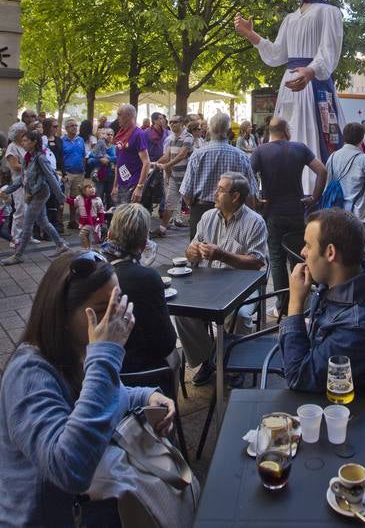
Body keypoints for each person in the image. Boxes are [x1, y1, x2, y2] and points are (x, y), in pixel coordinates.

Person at [0, 250, 174, 527]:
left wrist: (146, 396)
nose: (115, 319)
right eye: (103, 310)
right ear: (64, 314)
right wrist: (105, 354)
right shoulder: (29, 375)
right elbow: (70, 468)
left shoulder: (77, 351)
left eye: (118, 304)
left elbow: (105, 396)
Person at [234, 0, 345, 186]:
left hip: (313, 83)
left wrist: (312, 70)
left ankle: (313, 189)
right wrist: (251, 35)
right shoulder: (290, 18)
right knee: (287, 132)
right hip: (291, 82)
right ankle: (284, 184)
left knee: (312, 134)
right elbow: (277, 54)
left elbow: (329, 51)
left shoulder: (329, 12)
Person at [279, 207, 365, 392]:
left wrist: (295, 303)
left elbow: (298, 377)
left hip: (351, 413)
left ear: (330, 253)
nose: (302, 252)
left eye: (308, 245)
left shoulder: (359, 326)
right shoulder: (339, 283)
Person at [175, 171, 268, 386]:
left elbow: (257, 263)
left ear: (235, 196)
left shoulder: (255, 222)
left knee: (241, 314)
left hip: (244, 284)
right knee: (182, 312)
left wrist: (222, 255)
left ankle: (235, 366)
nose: (214, 193)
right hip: (208, 281)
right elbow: (190, 253)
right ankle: (209, 358)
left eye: (220, 189)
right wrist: (193, 252)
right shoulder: (207, 217)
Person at [251, 116, 327, 313]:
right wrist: (315, 198)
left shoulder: (260, 151)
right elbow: (322, 171)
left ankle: (282, 306)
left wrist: (255, 200)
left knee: (276, 259)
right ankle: (301, 304)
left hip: (272, 212)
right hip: (296, 211)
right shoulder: (299, 148)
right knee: (299, 258)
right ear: (286, 130)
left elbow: (247, 175)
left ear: (270, 131)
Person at [102, 204, 179, 373]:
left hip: (94, 365)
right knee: (174, 358)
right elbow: (166, 342)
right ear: (144, 245)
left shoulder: (91, 269)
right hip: (137, 371)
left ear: (109, 235)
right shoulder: (147, 278)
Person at [179, 111, 258, 239]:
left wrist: (193, 206)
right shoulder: (241, 156)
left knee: (199, 252)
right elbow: (251, 193)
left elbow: (186, 192)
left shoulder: (198, 155)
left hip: (201, 209)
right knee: (231, 253)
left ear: (210, 129)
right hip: (233, 211)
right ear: (228, 130)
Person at [1, 129, 69, 264]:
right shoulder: (28, 157)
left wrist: (60, 197)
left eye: (26, 140)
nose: (23, 142)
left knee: (27, 224)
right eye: (23, 140)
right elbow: (22, 179)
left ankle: (18, 255)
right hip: (33, 194)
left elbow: (51, 176)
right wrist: (8, 190)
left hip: (40, 194)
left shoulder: (40, 158)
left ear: (34, 142)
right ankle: (62, 245)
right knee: (43, 222)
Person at [326, 122, 365, 230]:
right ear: (362, 138)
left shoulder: (332, 157)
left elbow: (327, 186)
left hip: (337, 216)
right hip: (360, 217)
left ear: (344, 136)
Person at [153, 115, 194, 235]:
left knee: (190, 202)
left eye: (175, 122)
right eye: (170, 122)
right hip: (175, 176)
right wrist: (155, 163)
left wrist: (166, 166)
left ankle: (200, 227)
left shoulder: (188, 137)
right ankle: (162, 229)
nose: (171, 124)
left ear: (182, 123)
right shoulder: (171, 138)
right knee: (170, 202)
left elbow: (181, 155)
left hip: (187, 176)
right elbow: (167, 156)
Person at [111, 104, 150, 205]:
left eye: (119, 115)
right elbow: (118, 162)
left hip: (133, 183)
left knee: (129, 218)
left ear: (128, 116)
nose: (117, 118)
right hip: (121, 184)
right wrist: (115, 186)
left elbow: (146, 162)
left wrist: (139, 187)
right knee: (121, 216)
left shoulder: (138, 134)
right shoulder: (121, 134)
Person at [4, 121, 27, 247]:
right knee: (20, 209)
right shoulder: (12, 147)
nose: (24, 134)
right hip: (18, 182)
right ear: (15, 134)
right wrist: (29, 166)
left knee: (28, 209)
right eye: (21, 132)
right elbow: (15, 166)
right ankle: (15, 238)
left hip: (28, 180)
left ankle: (26, 235)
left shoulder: (24, 145)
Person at [67, 177, 106, 249]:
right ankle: (88, 249)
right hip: (83, 221)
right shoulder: (79, 198)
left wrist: (100, 221)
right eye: (90, 187)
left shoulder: (97, 199)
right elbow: (73, 202)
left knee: (83, 234)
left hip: (93, 221)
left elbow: (101, 211)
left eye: (93, 187)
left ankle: (88, 249)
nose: (92, 189)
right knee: (87, 236)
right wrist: (65, 198)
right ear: (83, 190)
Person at [62, 117, 86, 230]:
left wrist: (84, 170)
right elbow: (60, 158)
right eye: (72, 126)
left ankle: (72, 221)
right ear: (66, 128)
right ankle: (60, 222)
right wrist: (62, 173)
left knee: (75, 198)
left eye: (76, 125)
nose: (75, 128)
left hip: (79, 173)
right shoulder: (62, 141)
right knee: (62, 198)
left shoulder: (80, 140)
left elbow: (83, 155)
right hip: (67, 173)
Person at [88, 126, 117, 207]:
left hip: (111, 178)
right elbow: (90, 161)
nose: (110, 136)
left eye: (111, 134)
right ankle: (98, 218)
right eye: (108, 134)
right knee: (98, 199)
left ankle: (110, 218)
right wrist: (100, 160)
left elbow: (119, 159)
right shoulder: (97, 147)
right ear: (103, 135)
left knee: (111, 200)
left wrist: (109, 159)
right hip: (99, 178)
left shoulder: (115, 148)